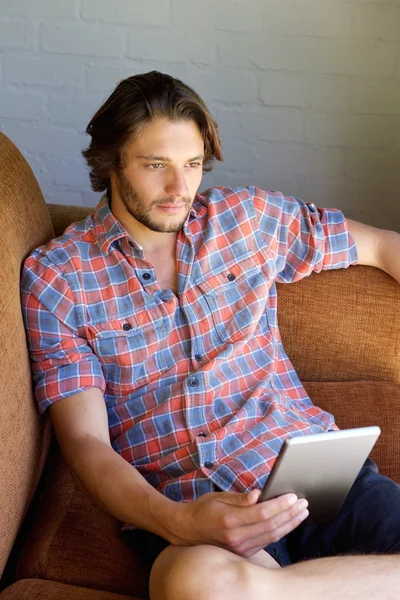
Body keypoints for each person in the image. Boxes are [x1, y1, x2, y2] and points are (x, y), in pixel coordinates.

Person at [21, 71, 400, 600]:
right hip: (191, 503)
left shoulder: (244, 219)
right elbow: (86, 442)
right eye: (157, 166)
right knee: (195, 583)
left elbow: (382, 246)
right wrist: (176, 522)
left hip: (313, 471)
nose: (181, 189)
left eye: (193, 164)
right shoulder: (59, 277)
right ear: (111, 161)